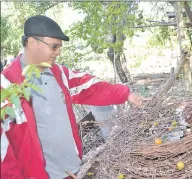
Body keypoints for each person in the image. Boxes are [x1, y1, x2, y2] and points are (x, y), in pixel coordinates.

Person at [1, 15, 148, 179]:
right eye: (54, 46)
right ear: (32, 42)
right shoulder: (6, 86)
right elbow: (3, 151)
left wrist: (126, 94)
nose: (58, 52)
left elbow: (91, 88)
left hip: (72, 170)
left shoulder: (59, 74)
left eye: (59, 47)